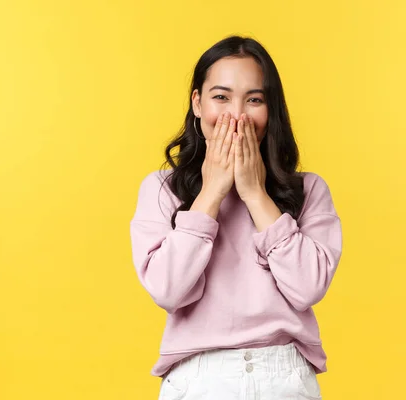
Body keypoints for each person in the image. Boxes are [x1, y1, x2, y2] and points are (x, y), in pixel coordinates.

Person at [129, 35, 343, 400]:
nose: (238, 115)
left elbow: (309, 288)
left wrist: (255, 193)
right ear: (197, 103)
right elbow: (167, 290)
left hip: (284, 376)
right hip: (198, 378)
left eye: (254, 99)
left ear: (270, 110)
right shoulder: (162, 189)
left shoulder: (309, 190)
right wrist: (212, 192)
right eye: (221, 97)